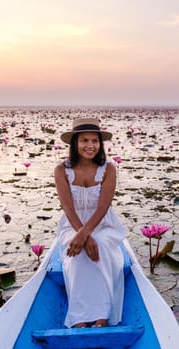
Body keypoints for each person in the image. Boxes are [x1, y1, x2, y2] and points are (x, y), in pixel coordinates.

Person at [54, 117, 126, 328]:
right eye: (84, 140)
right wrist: (81, 236)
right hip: (72, 224)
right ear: (75, 143)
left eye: (95, 141)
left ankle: (102, 315)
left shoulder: (108, 169)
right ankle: (79, 317)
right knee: (75, 255)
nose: (90, 146)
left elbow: (103, 208)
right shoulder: (61, 170)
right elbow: (67, 207)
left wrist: (87, 235)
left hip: (103, 224)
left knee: (100, 247)